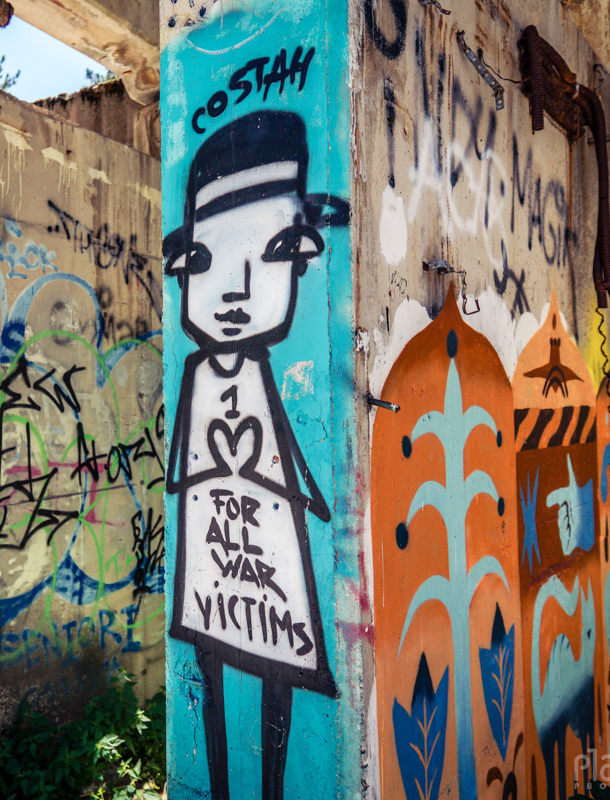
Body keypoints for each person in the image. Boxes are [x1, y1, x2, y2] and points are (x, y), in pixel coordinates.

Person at [163, 110, 349, 800]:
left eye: (271, 254)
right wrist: (192, 486)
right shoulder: (195, 376)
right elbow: (182, 462)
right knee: (211, 662)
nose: (236, 290)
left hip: (269, 541)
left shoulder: (270, 374)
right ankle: (213, 782)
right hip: (213, 537)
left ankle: (276, 787)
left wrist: (312, 495)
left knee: (279, 675)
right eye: (207, 262)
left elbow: (286, 442)